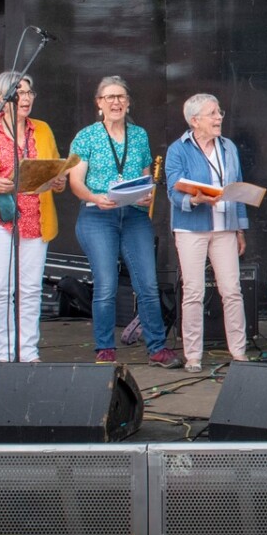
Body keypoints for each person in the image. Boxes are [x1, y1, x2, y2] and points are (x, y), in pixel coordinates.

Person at [66, 76, 180, 369]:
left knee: (148, 284)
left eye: (121, 97)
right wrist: (96, 196)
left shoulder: (139, 135)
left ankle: (156, 347)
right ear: (99, 104)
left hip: (133, 215)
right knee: (106, 285)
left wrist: (146, 197)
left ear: (128, 103)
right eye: (109, 97)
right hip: (97, 215)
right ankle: (105, 348)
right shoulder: (87, 136)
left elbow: (144, 176)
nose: (116, 102)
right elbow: (75, 182)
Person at [0, 70, 66, 364]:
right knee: (0, 290)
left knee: (31, 289)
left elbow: (55, 167)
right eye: (19, 93)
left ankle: (29, 353)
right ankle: (3, 356)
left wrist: (59, 181)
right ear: (1, 98)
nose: (26, 98)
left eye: (30, 92)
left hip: (35, 218)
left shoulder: (42, 129)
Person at [165, 93, 252, 373]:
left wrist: (240, 228)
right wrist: (194, 200)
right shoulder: (178, 149)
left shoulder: (228, 147)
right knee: (193, 292)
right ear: (195, 120)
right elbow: (172, 189)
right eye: (212, 114)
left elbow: (236, 188)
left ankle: (238, 352)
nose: (219, 119)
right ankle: (193, 356)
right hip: (191, 228)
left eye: (219, 112)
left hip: (225, 227)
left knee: (232, 290)